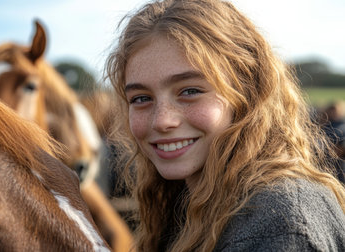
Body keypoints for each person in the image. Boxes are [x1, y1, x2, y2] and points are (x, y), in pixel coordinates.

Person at [104, 0, 345, 251]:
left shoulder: (279, 223)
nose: (162, 120)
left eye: (190, 91)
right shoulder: (184, 208)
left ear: (248, 94)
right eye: (141, 98)